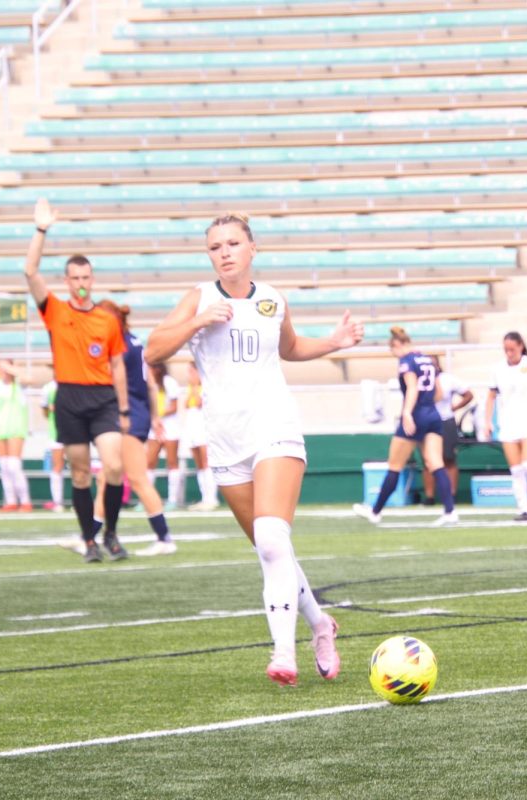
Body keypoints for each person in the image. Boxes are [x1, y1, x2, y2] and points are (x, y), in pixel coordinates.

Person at [144, 211, 363, 687]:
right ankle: (321, 625)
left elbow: (289, 348)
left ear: (251, 248)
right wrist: (198, 321)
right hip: (225, 438)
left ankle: (284, 652)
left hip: (275, 426)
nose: (224, 252)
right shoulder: (199, 298)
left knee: (270, 537)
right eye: (215, 247)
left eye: (232, 244)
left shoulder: (272, 299)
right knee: (273, 548)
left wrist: (333, 342)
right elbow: (152, 350)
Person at [24, 198, 130, 563]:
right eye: (75, 278)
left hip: (102, 399)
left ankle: (112, 533)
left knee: (114, 466)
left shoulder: (107, 320)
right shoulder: (54, 310)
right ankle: (90, 541)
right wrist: (41, 230)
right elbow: (29, 272)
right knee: (81, 472)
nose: (81, 284)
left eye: (86, 278)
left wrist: (125, 407)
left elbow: (117, 366)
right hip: (68, 398)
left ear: (91, 279)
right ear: (67, 281)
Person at [88, 300, 176, 556]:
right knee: (107, 477)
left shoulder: (119, 346)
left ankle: (164, 537)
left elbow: (117, 382)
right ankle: (90, 535)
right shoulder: (135, 341)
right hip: (137, 414)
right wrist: (155, 416)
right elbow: (149, 384)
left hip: (126, 416)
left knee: (135, 478)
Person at [354, 327, 457, 526]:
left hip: (417, 413)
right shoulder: (427, 359)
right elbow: (438, 392)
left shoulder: (407, 361)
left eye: (393, 350)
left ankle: (375, 511)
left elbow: (412, 387)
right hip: (433, 414)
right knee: (435, 463)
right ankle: (450, 511)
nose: (394, 355)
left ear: (398, 345)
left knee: (395, 464)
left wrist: (407, 412)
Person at [483, 331, 527, 521]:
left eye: (512, 349)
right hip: (508, 422)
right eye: (506, 350)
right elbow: (491, 396)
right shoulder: (498, 369)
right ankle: (524, 510)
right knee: (516, 470)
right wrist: (487, 421)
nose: (509, 353)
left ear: (521, 346)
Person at [420, 358, 473, 508]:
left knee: (449, 459)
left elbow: (468, 394)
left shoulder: (448, 379)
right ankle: (429, 496)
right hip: (427, 421)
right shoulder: (420, 380)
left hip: (445, 420)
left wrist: (454, 407)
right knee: (428, 461)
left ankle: (452, 495)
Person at [0, 359, 33, 513]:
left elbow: (29, 379)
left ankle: (25, 501)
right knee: (4, 467)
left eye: (5, 368)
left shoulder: (18, 385)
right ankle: (11, 501)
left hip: (15, 428)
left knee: (14, 466)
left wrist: (12, 369)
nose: (2, 371)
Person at [146, 362, 184, 510]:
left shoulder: (170, 383)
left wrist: (159, 414)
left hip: (171, 427)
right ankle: (148, 500)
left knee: (172, 462)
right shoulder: (148, 383)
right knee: (149, 462)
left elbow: (174, 406)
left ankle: (173, 499)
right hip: (154, 428)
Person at [182, 362, 220, 511]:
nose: (189, 375)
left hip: (203, 427)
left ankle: (212, 498)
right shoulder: (190, 388)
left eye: (191, 371)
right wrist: (192, 388)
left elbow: (199, 403)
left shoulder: (205, 387)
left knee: (206, 462)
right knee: (198, 463)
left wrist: (196, 387)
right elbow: (186, 404)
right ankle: (204, 497)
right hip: (191, 426)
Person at [40, 379, 65, 511]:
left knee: (79, 466)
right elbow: (44, 411)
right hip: (56, 432)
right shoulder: (48, 388)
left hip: (75, 430)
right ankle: (58, 502)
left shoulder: (72, 384)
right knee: (57, 466)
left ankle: (81, 502)